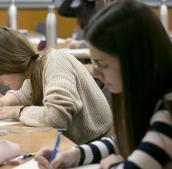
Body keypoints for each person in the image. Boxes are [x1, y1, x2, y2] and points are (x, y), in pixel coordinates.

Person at [35, 1, 172, 168]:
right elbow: (123, 142)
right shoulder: (147, 98)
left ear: (136, 61)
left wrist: (110, 166)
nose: (96, 72)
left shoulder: (167, 113)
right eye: (94, 63)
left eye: (103, 64)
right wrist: (74, 154)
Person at [0, 27, 113, 144]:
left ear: (9, 63)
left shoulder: (55, 62)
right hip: (78, 142)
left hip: (98, 144)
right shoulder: (33, 71)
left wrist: (17, 111)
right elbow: (23, 94)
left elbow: (56, 117)